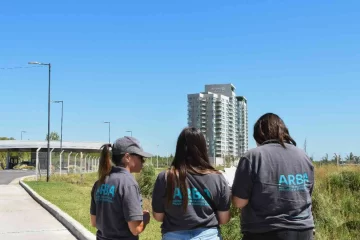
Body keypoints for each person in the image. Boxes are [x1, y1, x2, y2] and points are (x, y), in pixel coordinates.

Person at [232, 113, 315, 240]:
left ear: (258, 136)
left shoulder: (253, 156)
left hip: (265, 231)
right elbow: (307, 194)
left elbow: (239, 202)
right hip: (304, 231)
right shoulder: (303, 156)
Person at [152, 127, 231, 240]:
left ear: (179, 148)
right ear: (203, 148)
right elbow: (224, 219)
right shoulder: (218, 178)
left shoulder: (165, 177)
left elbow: (158, 216)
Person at [90, 136, 153, 240]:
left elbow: (94, 222)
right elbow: (135, 229)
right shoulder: (128, 184)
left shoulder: (99, 182)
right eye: (140, 157)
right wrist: (145, 217)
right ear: (127, 157)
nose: (143, 161)